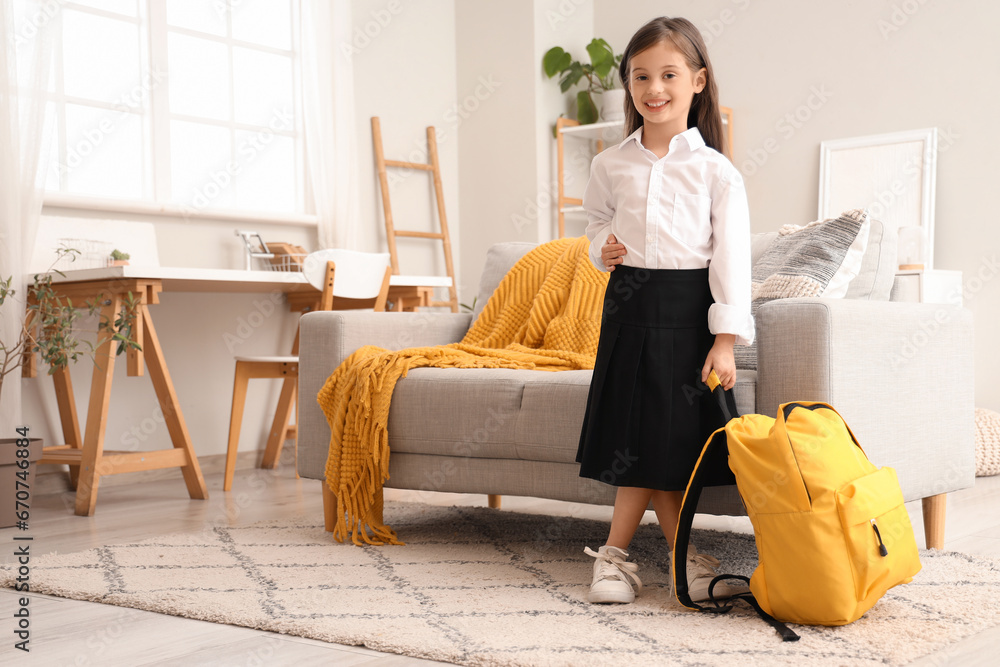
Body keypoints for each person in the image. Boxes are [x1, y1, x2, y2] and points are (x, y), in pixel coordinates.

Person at [575, 16, 754, 605]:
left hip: (687, 313)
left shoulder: (716, 171)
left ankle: (622, 556)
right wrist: (603, 249)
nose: (655, 87)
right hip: (628, 307)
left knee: (669, 439)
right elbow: (596, 223)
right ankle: (679, 560)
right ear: (628, 85)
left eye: (669, 74)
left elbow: (730, 258)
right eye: (641, 76)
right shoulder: (609, 164)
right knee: (640, 431)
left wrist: (724, 340)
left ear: (698, 81)